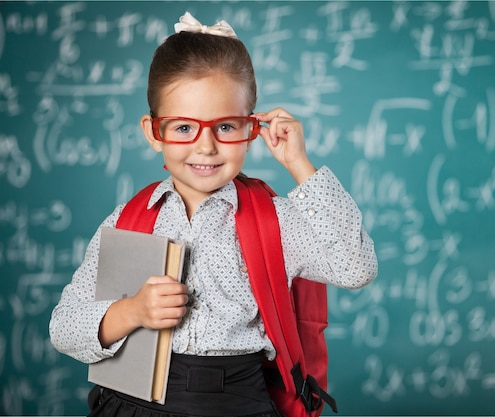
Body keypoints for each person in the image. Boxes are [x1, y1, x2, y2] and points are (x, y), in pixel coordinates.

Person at [49, 12, 378, 417]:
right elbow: (63, 328)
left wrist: (299, 165)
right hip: (133, 404)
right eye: (184, 128)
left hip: (238, 403)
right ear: (154, 132)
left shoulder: (273, 219)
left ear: (253, 129)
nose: (206, 147)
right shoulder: (127, 220)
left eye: (225, 126)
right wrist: (131, 311)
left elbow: (357, 268)